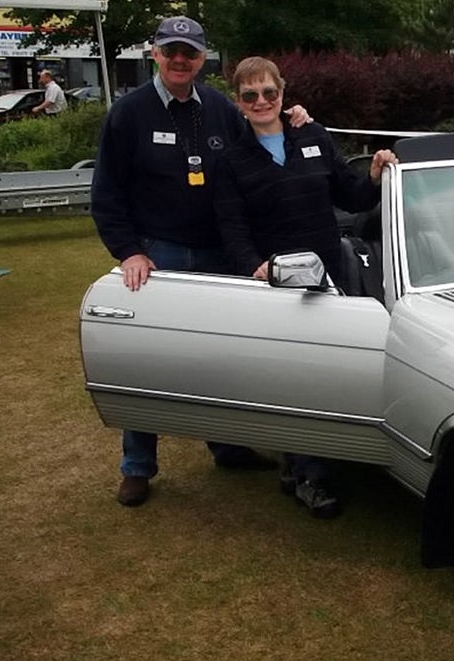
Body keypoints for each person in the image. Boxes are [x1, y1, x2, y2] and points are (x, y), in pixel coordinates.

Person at [91, 16, 311, 507]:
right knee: (146, 359)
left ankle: (228, 446)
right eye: (170, 50)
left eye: (188, 52)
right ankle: (138, 466)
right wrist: (129, 251)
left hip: (219, 252)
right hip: (159, 254)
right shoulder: (128, 113)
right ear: (155, 54)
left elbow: (260, 151)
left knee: (222, 356)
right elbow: (106, 193)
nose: (179, 60)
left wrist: (297, 124)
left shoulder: (220, 108)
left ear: (201, 58)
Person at [214, 56, 397, 517]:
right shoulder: (232, 159)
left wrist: (375, 174)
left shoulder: (312, 136)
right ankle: (307, 474)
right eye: (250, 95)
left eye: (269, 93)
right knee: (292, 378)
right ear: (238, 103)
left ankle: (312, 462)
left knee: (329, 370)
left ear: (283, 92)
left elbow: (352, 196)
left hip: (328, 276)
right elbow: (231, 229)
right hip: (277, 284)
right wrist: (255, 267)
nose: (261, 102)